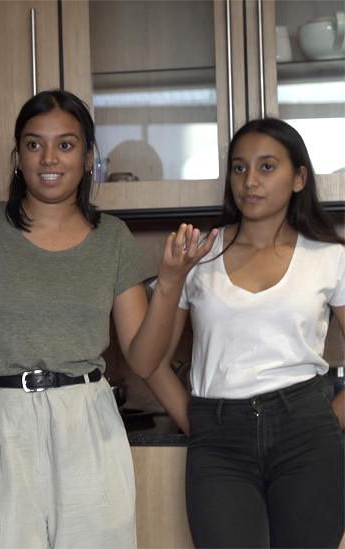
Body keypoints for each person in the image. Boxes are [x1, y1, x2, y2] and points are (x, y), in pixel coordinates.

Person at [0, 89, 216, 548]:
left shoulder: (112, 239)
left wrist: (171, 281)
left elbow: (143, 358)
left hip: (86, 418)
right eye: (34, 144)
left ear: (89, 155)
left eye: (66, 144)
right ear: (18, 156)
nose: (49, 158)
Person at [143, 118, 345, 548]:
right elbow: (150, 362)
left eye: (267, 167)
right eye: (239, 168)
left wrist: (327, 421)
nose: (249, 181)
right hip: (218, 441)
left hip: (306, 432)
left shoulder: (330, 257)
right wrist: (194, 419)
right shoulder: (197, 254)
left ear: (299, 179)